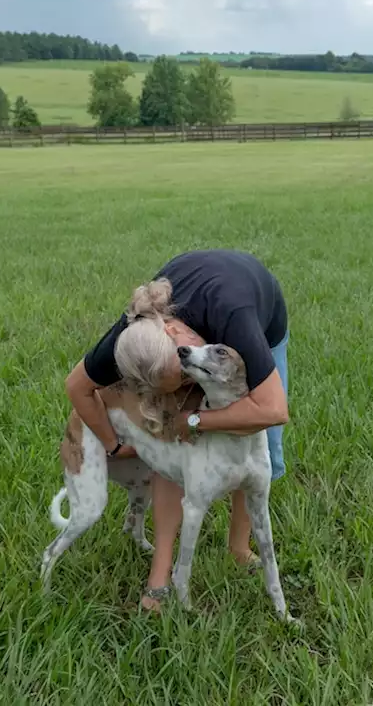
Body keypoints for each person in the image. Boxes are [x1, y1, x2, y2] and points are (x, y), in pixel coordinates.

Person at [64, 249, 290, 612]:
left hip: (251, 308)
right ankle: (161, 572)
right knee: (169, 441)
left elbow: (274, 411)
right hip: (192, 321)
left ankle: (238, 547)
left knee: (255, 431)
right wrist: (112, 444)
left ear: (175, 334)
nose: (184, 387)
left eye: (181, 379)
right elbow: (77, 387)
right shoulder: (130, 338)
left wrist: (197, 420)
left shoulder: (236, 319)